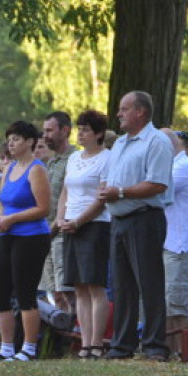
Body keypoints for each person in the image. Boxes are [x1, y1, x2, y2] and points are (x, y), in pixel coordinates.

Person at [98, 91, 173, 361]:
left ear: (140, 112)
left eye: (124, 108)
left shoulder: (156, 142)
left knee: (149, 283)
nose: (118, 114)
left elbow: (157, 183)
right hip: (119, 220)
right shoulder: (119, 144)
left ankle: (154, 345)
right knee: (122, 285)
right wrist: (107, 190)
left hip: (144, 219)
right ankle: (122, 344)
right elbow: (111, 179)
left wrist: (119, 193)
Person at [0, 121, 52, 362]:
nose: (11, 144)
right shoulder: (8, 169)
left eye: (16, 139)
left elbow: (43, 208)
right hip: (7, 235)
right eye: (9, 139)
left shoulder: (36, 170)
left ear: (29, 142)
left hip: (31, 237)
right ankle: (5, 347)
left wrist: (13, 218)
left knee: (25, 292)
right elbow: (2, 200)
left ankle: (28, 348)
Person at [56, 110, 111, 359]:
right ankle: (85, 342)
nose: (81, 133)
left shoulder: (107, 159)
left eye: (86, 129)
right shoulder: (74, 158)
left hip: (94, 225)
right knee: (79, 287)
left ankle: (97, 343)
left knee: (95, 286)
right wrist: (60, 219)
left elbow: (101, 198)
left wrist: (78, 221)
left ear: (98, 133)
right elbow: (66, 192)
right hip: (70, 225)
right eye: (79, 128)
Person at [161, 128, 188, 334]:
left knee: (176, 305)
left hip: (179, 246)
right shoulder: (174, 165)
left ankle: (184, 352)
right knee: (168, 303)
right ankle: (171, 349)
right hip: (170, 243)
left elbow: (159, 191)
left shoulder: (183, 166)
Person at [41, 111, 76, 311]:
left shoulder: (75, 159)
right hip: (47, 235)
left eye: (49, 131)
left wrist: (51, 231)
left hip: (63, 235)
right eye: (44, 131)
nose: (45, 135)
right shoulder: (51, 162)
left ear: (65, 130)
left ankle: (78, 337)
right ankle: (61, 339)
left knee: (68, 291)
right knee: (54, 294)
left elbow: (70, 198)